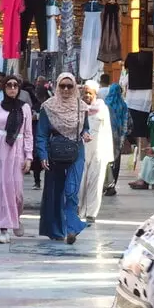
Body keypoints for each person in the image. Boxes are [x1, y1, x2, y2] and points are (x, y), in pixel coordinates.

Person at [37, 73, 90, 244]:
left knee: (72, 190)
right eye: (62, 86)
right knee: (55, 191)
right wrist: (43, 155)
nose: (66, 89)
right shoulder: (48, 107)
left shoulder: (82, 107)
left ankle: (72, 228)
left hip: (76, 151)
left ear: (74, 87)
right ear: (57, 87)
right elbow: (42, 134)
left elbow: (85, 128)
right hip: (55, 153)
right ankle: (58, 230)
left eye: (69, 86)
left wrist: (86, 133)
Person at [0, 76, 34, 244]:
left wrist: (29, 156)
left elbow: (28, 134)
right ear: (4, 88)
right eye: (9, 85)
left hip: (16, 149)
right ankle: (4, 229)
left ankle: (15, 217)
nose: (12, 88)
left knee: (16, 191)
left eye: (15, 85)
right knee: (0, 189)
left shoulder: (24, 108)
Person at [78, 80, 113, 223]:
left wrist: (108, 154)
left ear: (95, 94)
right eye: (85, 92)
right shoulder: (79, 107)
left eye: (89, 93)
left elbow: (107, 131)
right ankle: (79, 210)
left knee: (96, 181)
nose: (87, 95)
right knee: (81, 180)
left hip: (99, 149)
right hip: (82, 148)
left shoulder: (102, 108)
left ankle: (91, 213)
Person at [103, 82, 130, 197]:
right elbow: (128, 124)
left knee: (105, 161)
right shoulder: (123, 106)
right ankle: (112, 186)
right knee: (115, 162)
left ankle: (104, 184)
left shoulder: (104, 104)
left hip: (105, 137)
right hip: (118, 138)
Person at [27, 77, 51, 189]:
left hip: (43, 133)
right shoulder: (37, 105)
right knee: (37, 158)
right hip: (38, 133)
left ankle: (39, 182)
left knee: (42, 158)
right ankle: (38, 181)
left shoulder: (49, 105)